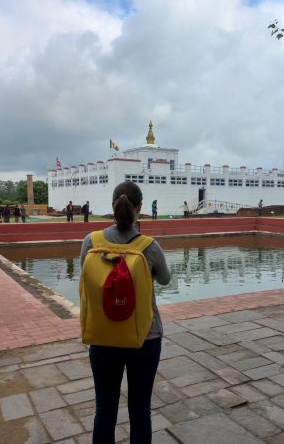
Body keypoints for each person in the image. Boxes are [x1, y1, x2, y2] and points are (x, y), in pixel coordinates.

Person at [79, 181, 171, 443]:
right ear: (140, 208)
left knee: (104, 410)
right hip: (145, 337)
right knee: (140, 410)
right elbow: (165, 279)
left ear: (112, 206)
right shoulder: (148, 246)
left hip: (102, 336)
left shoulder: (91, 241)